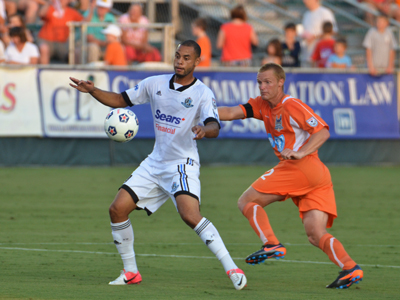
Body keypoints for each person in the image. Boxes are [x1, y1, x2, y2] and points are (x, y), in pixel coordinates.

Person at [68, 40, 247, 290]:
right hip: (155, 162)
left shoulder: (202, 93)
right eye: (177, 56)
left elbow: (214, 125)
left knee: (189, 215)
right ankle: (130, 272)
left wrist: (204, 130)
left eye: (186, 58)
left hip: (182, 164)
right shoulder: (155, 83)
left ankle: (232, 268)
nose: (179, 62)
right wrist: (93, 90)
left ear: (196, 62)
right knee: (117, 209)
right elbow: (120, 99)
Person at [217, 63, 363, 289]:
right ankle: (350, 267)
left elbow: (323, 130)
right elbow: (230, 112)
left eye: (267, 82)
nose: (262, 87)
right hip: (317, 176)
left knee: (246, 201)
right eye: (259, 82)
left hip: (301, 166)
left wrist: (301, 152)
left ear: (280, 83)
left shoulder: (291, 104)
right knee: (315, 233)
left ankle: (271, 244)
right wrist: (199, 111)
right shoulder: (261, 105)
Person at [301, 0, 337, 66]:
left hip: (323, 55)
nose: (304, 1)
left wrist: (314, 37)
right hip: (309, 54)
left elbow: (332, 31)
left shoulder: (325, 12)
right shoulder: (306, 15)